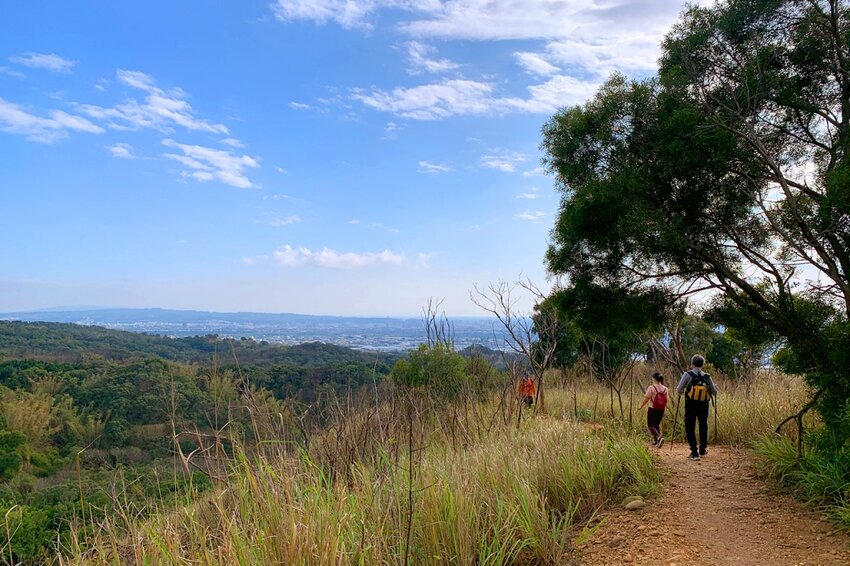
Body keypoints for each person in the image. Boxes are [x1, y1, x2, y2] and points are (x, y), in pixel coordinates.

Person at [676, 354, 717, 461]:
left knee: (690, 426)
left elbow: (679, 389)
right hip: (704, 404)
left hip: (690, 404)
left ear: (692, 364)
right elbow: (714, 392)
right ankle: (702, 450)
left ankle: (694, 452)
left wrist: (683, 391)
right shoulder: (707, 376)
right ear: (702, 365)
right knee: (703, 425)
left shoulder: (687, 374)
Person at [639, 372, 668, 447]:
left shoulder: (651, 387)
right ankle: (657, 441)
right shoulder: (665, 388)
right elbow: (666, 399)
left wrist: (641, 406)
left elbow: (647, 398)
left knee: (650, 425)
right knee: (656, 424)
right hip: (661, 409)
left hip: (653, 408)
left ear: (654, 379)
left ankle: (659, 437)